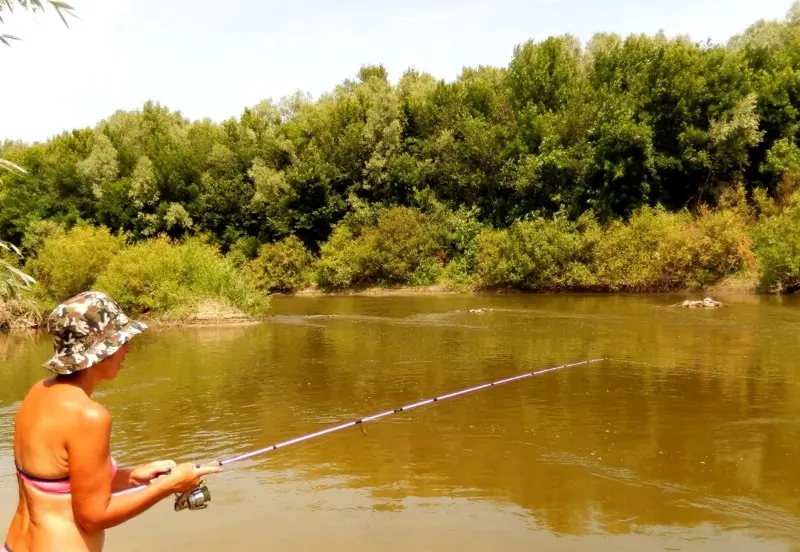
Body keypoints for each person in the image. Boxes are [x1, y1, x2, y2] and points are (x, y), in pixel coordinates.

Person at [3, 291, 221, 552]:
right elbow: (93, 517)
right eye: (121, 341)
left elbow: (61, 482)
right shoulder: (89, 416)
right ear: (100, 352)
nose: (127, 348)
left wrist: (131, 477)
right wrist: (168, 486)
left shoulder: (38, 392)